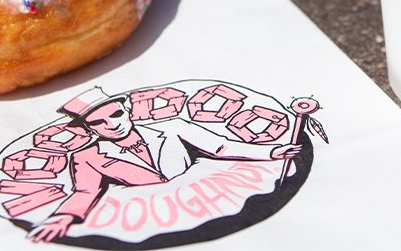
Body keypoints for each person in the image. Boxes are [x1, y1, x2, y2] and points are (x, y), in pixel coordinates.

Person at [28, 90, 300, 244]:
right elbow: (85, 192)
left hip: (208, 188)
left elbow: (220, 147)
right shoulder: (86, 156)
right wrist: (64, 217)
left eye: (116, 114)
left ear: (127, 109)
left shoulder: (172, 127)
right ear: (88, 128)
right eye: (99, 123)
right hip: (145, 208)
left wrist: (271, 151)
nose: (112, 124)